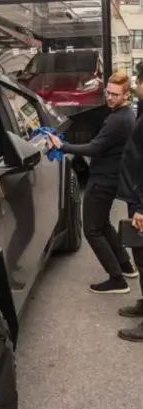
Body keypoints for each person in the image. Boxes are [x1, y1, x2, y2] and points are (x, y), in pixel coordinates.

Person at [48, 70, 137, 294]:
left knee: (92, 231)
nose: (109, 97)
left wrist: (62, 146)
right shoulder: (123, 116)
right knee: (103, 224)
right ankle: (126, 266)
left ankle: (117, 280)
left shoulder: (118, 120)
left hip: (102, 181)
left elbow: (94, 148)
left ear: (126, 96)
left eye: (115, 95)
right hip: (111, 178)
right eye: (108, 93)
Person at [116, 69, 143, 341]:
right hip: (136, 195)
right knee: (140, 255)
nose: (136, 85)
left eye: (138, 81)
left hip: (141, 199)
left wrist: (141, 208)